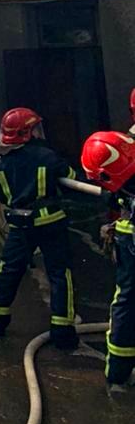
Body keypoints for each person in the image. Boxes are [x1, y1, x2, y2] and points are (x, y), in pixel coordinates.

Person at [0, 106, 79, 349]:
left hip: (19, 225)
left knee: (8, 270)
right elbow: (70, 177)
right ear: (27, 132)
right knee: (59, 273)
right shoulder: (47, 156)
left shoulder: (0, 165)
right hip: (51, 223)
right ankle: (62, 331)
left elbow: (4, 197)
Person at [81, 129, 135, 389]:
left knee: (125, 300)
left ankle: (118, 370)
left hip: (127, 237)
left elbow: (114, 195)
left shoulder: (119, 176)